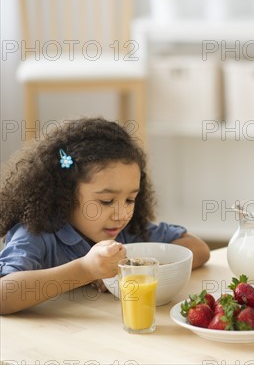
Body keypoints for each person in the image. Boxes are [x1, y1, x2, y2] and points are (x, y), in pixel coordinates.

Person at [0, 117, 210, 314]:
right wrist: (85, 270)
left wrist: (132, 267)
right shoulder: (37, 234)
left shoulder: (126, 232)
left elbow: (199, 249)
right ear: (64, 193)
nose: (121, 214)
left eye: (130, 200)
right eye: (106, 201)